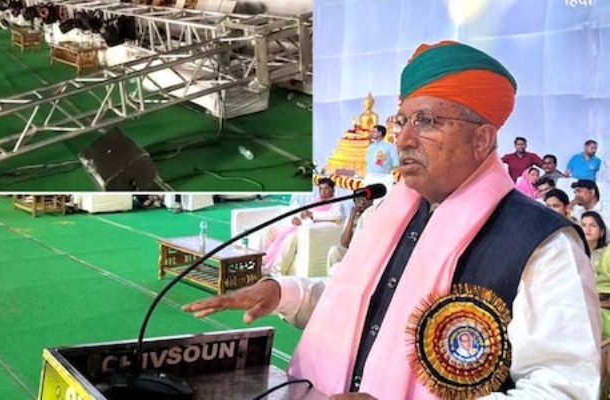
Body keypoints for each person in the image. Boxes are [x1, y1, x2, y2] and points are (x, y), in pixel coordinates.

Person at [182, 41, 600, 399]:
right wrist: (283, 292)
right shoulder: (394, 214)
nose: (403, 139)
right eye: (402, 121)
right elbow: (362, 308)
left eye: (426, 121)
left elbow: (564, 388)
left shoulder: (542, 244)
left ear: (481, 139)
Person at [260, 177, 341, 275]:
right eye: (320, 189)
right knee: (269, 230)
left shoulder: (336, 203)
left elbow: (335, 215)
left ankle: (277, 269)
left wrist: (312, 215)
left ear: (333, 190)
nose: (323, 192)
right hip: (297, 226)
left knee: (289, 238)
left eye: (326, 188)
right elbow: (302, 212)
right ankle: (261, 260)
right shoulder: (315, 201)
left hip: (307, 231)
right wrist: (296, 218)